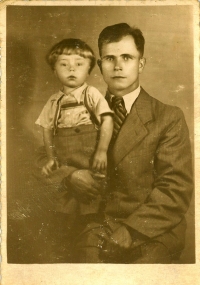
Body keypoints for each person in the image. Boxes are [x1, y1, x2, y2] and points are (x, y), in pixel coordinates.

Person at [63, 23, 193, 264]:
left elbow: (175, 189)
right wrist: (70, 175)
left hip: (152, 230)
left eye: (127, 57)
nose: (118, 66)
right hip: (98, 227)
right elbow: (51, 160)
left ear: (141, 63)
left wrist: (132, 231)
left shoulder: (167, 117)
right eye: (110, 58)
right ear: (100, 66)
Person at [35, 38, 113, 215]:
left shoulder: (91, 94)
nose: (71, 69)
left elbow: (107, 120)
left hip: (89, 155)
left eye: (79, 64)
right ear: (54, 70)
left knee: (93, 196)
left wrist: (101, 151)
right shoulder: (53, 101)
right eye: (64, 64)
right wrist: (51, 157)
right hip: (65, 159)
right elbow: (47, 130)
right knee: (64, 203)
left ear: (88, 71)